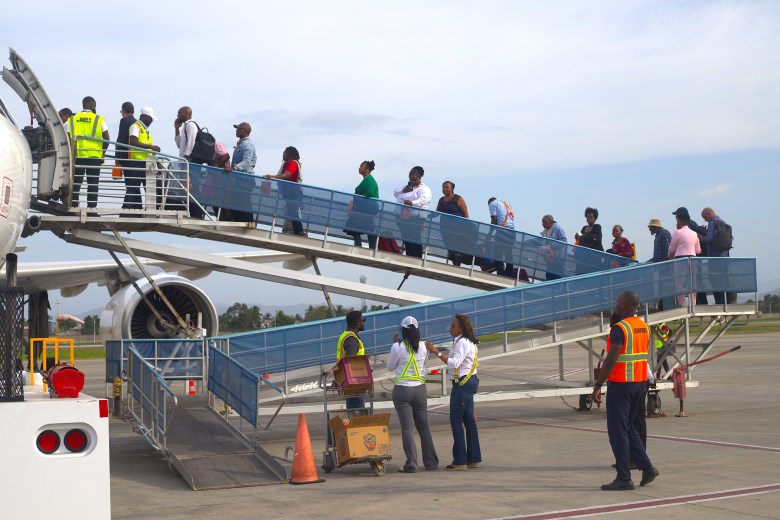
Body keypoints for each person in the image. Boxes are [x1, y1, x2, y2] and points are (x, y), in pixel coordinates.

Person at [591, 291, 659, 491]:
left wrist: (597, 385)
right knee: (629, 427)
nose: (616, 304)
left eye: (619, 301)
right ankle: (647, 467)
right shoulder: (642, 326)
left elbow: (611, 359)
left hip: (621, 385)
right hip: (639, 383)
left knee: (617, 432)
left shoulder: (620, 328)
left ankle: (623, 477)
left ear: (627, 306)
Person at [425, 314, 481, 471]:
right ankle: (473, 458)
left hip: (462, 384)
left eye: (453, 325)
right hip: (470, 382)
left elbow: (455, 363)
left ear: (461, 328)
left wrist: (437, 353)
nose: (450, 328)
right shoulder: (468, 341)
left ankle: (460, 460)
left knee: (456, 420)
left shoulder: (462, 343)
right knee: (469, 421)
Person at [387, 316, 438, 473]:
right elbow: (423, 364)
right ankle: (431, 463)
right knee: (423, 427)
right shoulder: (424, 346)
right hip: (420, 389)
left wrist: (394, 344)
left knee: (407, 429)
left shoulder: (398, 347)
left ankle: (411, 464)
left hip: (402, 390)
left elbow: (390, 367)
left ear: (402, 330)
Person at [66, 96, 110, 211]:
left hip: (78, 156)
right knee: (93, 183)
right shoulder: (99, 119)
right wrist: (102, 154)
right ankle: (91, 209)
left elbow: (65, 138)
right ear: (92, 105)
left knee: (76, 184)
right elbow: (106, 138)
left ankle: (74, 206)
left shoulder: (72, 119)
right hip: (94, 157)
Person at [124, 107, 161, 210]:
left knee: (149, 187)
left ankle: (153, 209)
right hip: (137, 161)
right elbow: (133, 142)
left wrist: (158, 162)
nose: (152, 120)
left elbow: (149, 149)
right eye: (150, 118)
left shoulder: (146, 130)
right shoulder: (135, 126)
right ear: (144, 116)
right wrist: (151, 147)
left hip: (148, 162)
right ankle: (126, 208)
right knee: (133, 186)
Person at [220, 122, 257, 223]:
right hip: (239, 178)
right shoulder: (241, 144)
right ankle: (238, 219)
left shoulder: (247, 144)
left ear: (244, 131)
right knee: (238, 200)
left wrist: (233, 168)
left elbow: (247, 161)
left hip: (246, 178)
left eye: (238, 128)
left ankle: (249, 221)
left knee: (244, 200)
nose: (236, 130)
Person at [265, 146, 305, 236]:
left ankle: (299, 231)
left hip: (295, 192)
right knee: (291, 211)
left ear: (290, 154)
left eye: (285, 152)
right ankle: (295, 231)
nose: (283, 154)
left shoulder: (293, 163)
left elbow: (287, 174)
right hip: (289, 192)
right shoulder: (286, 164)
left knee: (293, 211)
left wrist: (273, 176)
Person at [393, 166, 432, 258]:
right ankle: (409, 257)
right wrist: (404, 190)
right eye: (410, 174)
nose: (411, 176)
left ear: (419, 176)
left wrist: (412, 203)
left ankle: (417, 258)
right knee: (406, 238)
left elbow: (424, 199)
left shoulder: (423, 188)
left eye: (414, 174)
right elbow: (395, 192)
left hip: (415, 218)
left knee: (414, 238)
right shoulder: (406, 187)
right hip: (402, 216)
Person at [672, 207, 708, 305]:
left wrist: (671, 255)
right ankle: (693, 304)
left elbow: (671, 249)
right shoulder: (694, 233)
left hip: (680, 260)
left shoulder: (677, 232)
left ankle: (683, 305)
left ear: (680, 220)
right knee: (693, 282)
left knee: (679, 283)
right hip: (693, 259)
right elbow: (698, 250)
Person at [699, 207, 732, 305]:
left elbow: (709, 239)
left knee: (714, 280)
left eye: (705, 217)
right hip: (725, 257)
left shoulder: (712, 223)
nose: (705, 220)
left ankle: (719, 301)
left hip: (714, 257)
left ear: (709, 214)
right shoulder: (723, 222)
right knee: (724, 280)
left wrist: (700, 237)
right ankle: (727, 301)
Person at [336, 310, 368, 412]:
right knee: (356, 413)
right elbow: (351, 361)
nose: (364, 322)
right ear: (358, 323)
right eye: (363, 320)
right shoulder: (352, 339)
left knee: (353, 411)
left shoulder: (345, 335)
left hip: (351, 383)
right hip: (355, 383)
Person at [344, 160, 379, 250]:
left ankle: (362, 246)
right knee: (363, 226)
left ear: (367, 169)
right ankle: (365, 246)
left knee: (354, 226)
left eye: (361, 166)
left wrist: (359, 201)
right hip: (367, 207)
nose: (359, 168)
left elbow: (370, 193)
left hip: (367, 207)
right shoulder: (367, 179)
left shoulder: (368, 179)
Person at [436, 181, 472, 266]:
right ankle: (455, 264)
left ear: (452, 188)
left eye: (447, 187)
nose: (445, 189)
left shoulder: (458, 199)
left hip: (458, 229)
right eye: (443, 187)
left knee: (457, 248)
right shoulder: (441, 200)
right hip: (445, 229)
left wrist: (467, 227)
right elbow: (437, 213)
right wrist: (425, 217)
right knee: (450, 247)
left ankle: (457, 265)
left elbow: (465, 214)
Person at [647, 218, 673, 310]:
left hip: (666, 266)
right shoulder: (657, 235)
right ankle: (662, 307)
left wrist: (665, 264)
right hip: (660, 266)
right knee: (661, 287)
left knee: (666, 287)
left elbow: (668, 249)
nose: (649, 229)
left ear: (655, 227)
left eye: (650, 227)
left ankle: (666, 307)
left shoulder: (664, 233)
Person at [487, 197, 516, 278]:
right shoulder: (506, 204)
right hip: (512, 231)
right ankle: (509, 274)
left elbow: (494, 220)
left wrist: (489, 234)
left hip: (502, 232)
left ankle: (500, 274)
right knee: (508, 254)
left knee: (497, 254)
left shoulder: (492, 204)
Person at [115, 102, 136, 210]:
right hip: (136, 157)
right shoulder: (137, 123)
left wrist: (117, 158)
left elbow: (120, 140)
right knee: (134, 184)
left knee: (129, 184)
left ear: (123, 111)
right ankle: (136, 207)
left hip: (125, 157)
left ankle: (128, 207)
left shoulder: (124, 121)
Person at [574, 207, 604, 275]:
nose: (589, 218)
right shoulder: (584, 228)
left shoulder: (597, 227)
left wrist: (584, 236)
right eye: (587, 217)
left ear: (595, 218)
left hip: (593, 259)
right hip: (583, 258)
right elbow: (580, 239)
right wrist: (577, 237)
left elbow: (597, 238)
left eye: (591, 217)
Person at [540, 214, 567, 280]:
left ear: (550, 222)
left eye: (544, 222)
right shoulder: (545, 231)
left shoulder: (557, 228)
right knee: (549, 277)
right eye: (542, 222)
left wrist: (550, 246)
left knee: (557, 278)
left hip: (558, 259)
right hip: (550, 259)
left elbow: (564, 240)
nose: (542, 224)